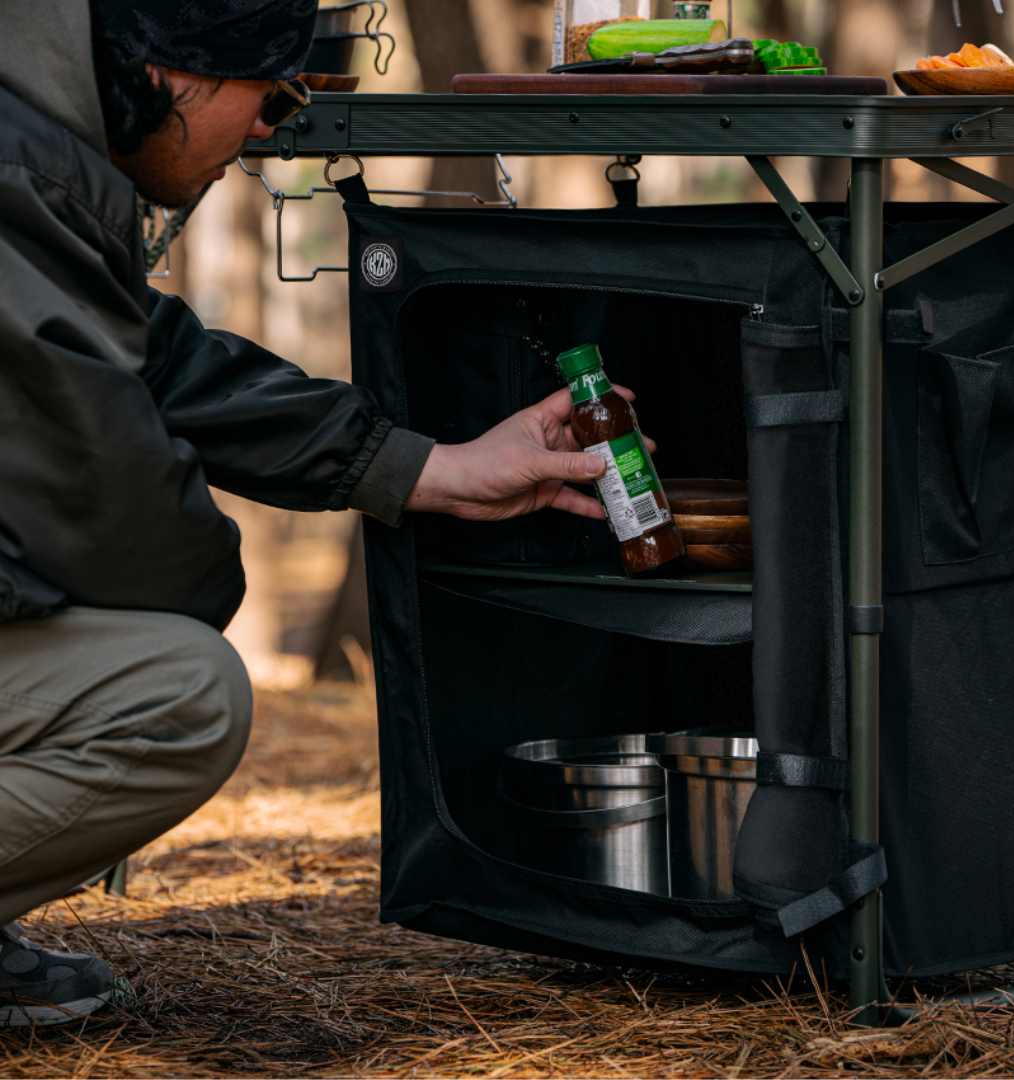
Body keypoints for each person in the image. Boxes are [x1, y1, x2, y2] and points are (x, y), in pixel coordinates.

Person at [0, 0, 634, 1027]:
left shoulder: (33, 143)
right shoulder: (13, 168)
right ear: (170, 70)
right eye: (270, 91)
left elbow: (149, 357)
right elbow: (110, 503)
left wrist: (428, 468)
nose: (273, 127)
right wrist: (205, 580)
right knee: (176, 695)